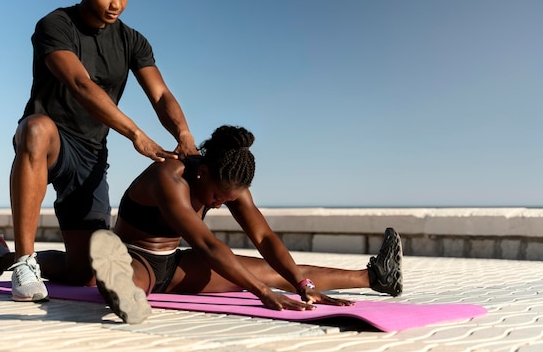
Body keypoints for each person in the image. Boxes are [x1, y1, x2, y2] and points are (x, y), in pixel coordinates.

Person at [0, 0, 198, 302]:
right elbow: (82, 85)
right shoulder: (55, 26)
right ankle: (25, 263)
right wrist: (136, 135)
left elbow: (161, 95)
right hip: (53, 139)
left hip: (91, 153)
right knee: (37, 129)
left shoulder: (132, 41)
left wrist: (184, 133)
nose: (116, 4)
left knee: (85, 273)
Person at [88, 125, 403, 324]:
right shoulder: (169, 177)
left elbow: (264, 237)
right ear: (203, 173)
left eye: (227, 199)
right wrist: (263, 293)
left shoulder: (229, 183)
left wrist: (301, 286)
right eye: (217, 196)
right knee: (127, 278)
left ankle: (376, 276)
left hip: (175, 263)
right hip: (135, 254)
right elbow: (208, 244)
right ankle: (119, 289)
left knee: (277, 271)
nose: (219, 203)